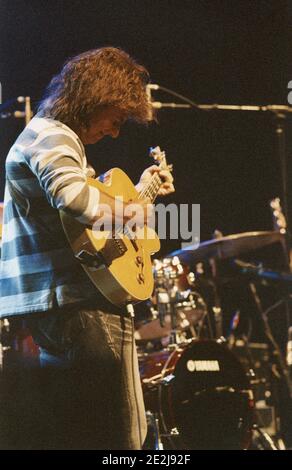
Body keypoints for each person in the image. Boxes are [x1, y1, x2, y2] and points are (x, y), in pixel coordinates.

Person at [0, 47, 174, 449]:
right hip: (76, 304)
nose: (114, 132)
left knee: (82, 433)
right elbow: (76, 200)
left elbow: (84, 227)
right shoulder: (52, 134)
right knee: (116, 438)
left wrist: (142, 191)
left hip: (66, 304)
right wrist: (134, 214)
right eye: (115, 119)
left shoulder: (51, 139)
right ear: (95, 98)